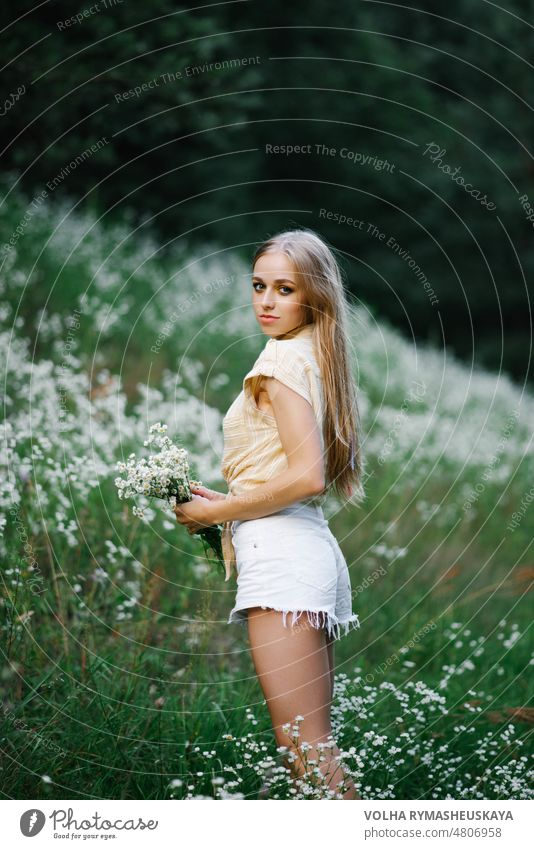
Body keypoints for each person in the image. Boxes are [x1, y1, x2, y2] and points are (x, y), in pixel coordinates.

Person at [174, 228, 365, 799]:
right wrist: (226, 500)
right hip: (304, 547)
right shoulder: (316, 353)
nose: (266, 301)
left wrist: (220, 512)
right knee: (311, 751)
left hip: (284, 560)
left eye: (285, 289)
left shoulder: (281, 359)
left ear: (314, 297)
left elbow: (308, 476)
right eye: (260, 285)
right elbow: (286, 469)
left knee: (309, 755)